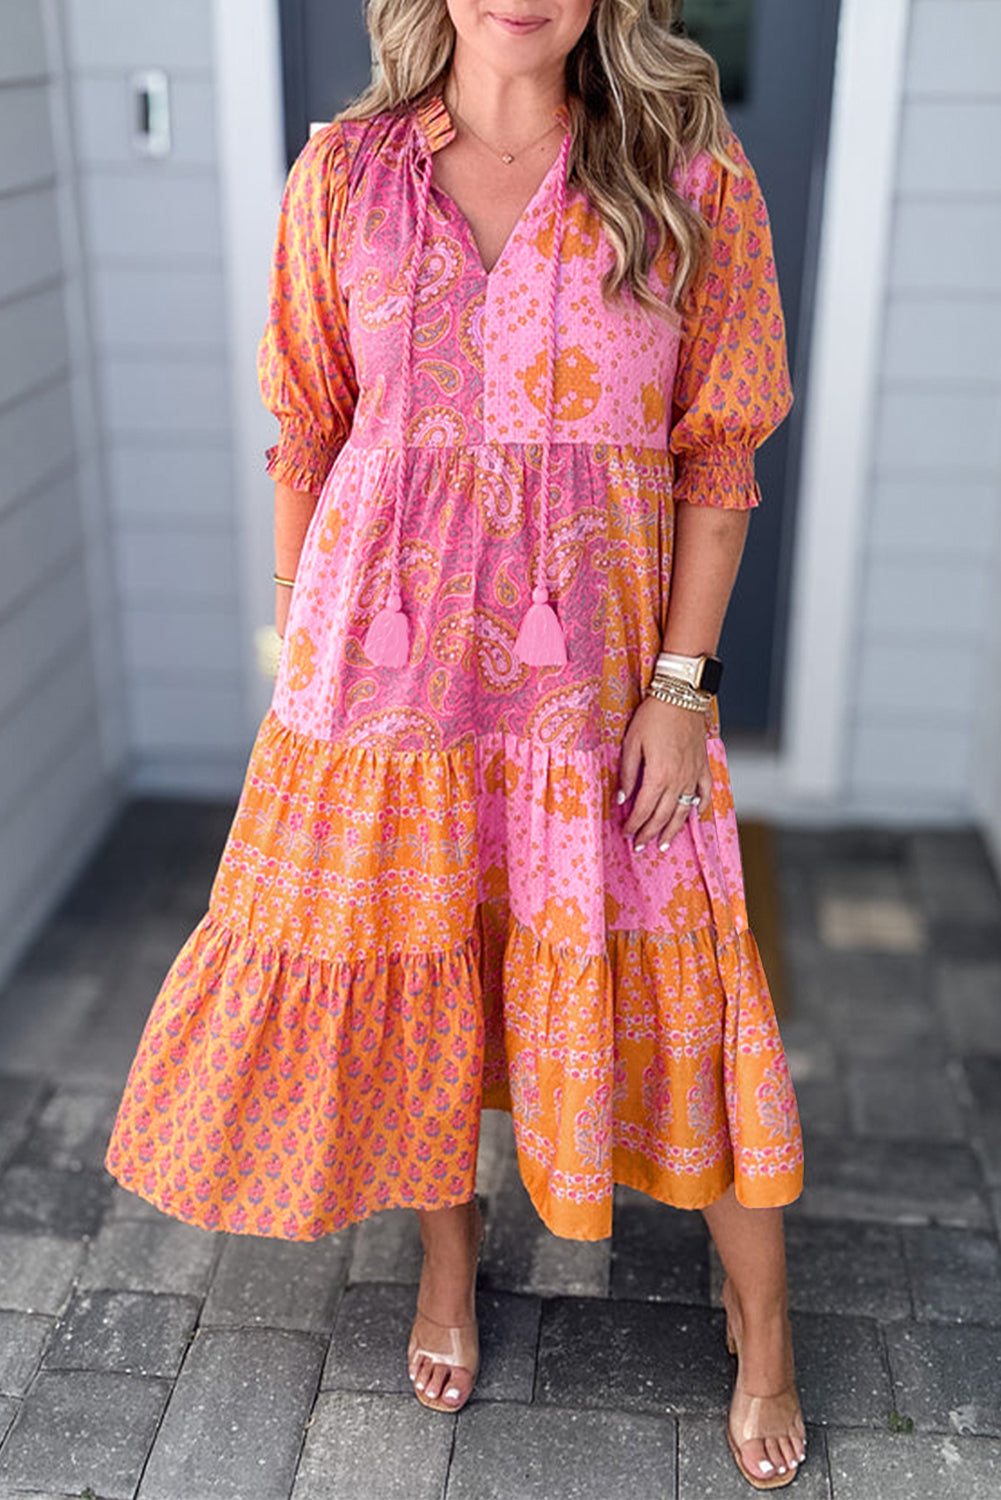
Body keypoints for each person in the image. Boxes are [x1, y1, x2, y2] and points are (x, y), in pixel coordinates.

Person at [104, 0, 807, 1487]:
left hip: (596, 696)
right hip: (384, 681)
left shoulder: (685, 168)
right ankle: (447, 1254)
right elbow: (309, 426)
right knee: (425, 968)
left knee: (685, 978)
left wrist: (682, 688)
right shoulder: (347, 173)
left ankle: (766, 1328)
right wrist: (298, 650)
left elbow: (718, 453)